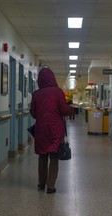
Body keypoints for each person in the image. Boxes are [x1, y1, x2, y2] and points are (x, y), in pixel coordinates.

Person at [30, 66, 74, 194]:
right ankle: (50, 186)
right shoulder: (58, 92)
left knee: (42, 156)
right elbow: (64, 110)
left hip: (41, 129)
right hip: (55, 128)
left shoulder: (36, 94)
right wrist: (71, 109)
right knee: (54, 156)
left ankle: (41, 183)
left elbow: (33, 112)